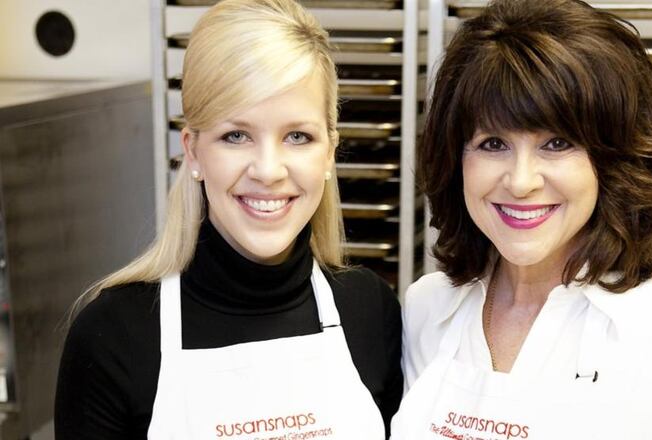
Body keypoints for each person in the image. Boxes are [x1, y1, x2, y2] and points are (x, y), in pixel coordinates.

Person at [391, 0, 652, 438]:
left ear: (612, 160)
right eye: (493, 144)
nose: (521, 181)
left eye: (557, 143)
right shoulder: (428, 309)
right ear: (456, 161)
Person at [54, 0, 402, 438]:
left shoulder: (369, 309)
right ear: (193, 151)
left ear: (330, 151)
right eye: (236, 136)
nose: (268, 170)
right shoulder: (112, 337)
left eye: (298, 136)